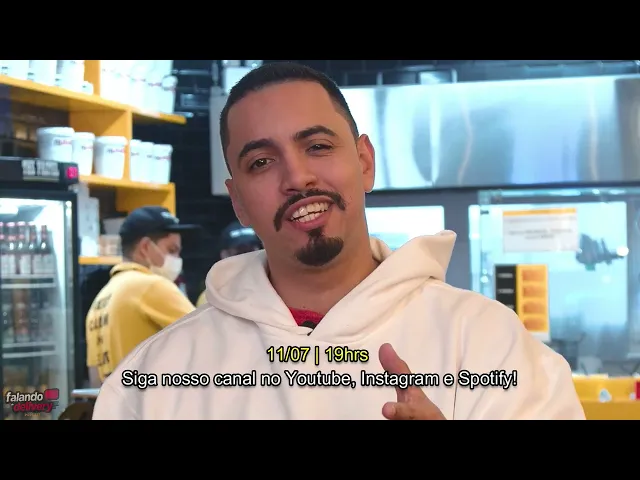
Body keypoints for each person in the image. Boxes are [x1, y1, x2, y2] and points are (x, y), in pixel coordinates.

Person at [93, 62, 585, 420]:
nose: (297, 177)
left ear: (364, 162)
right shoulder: (156, 378)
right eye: (261, 162)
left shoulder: (487, 345)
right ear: (238, 200)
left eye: (318, 146)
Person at [85, 206, 198, 387]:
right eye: (172, 250)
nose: (178, 259)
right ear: (145, 247)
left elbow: (95, 378)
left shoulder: (100, 300)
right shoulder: (151, 286)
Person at [196, 221, 263, 307]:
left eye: (251, 251)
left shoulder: (275, 290)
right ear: (224, 255)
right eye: (240, 252)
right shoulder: (210, 299)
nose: (247, 257)